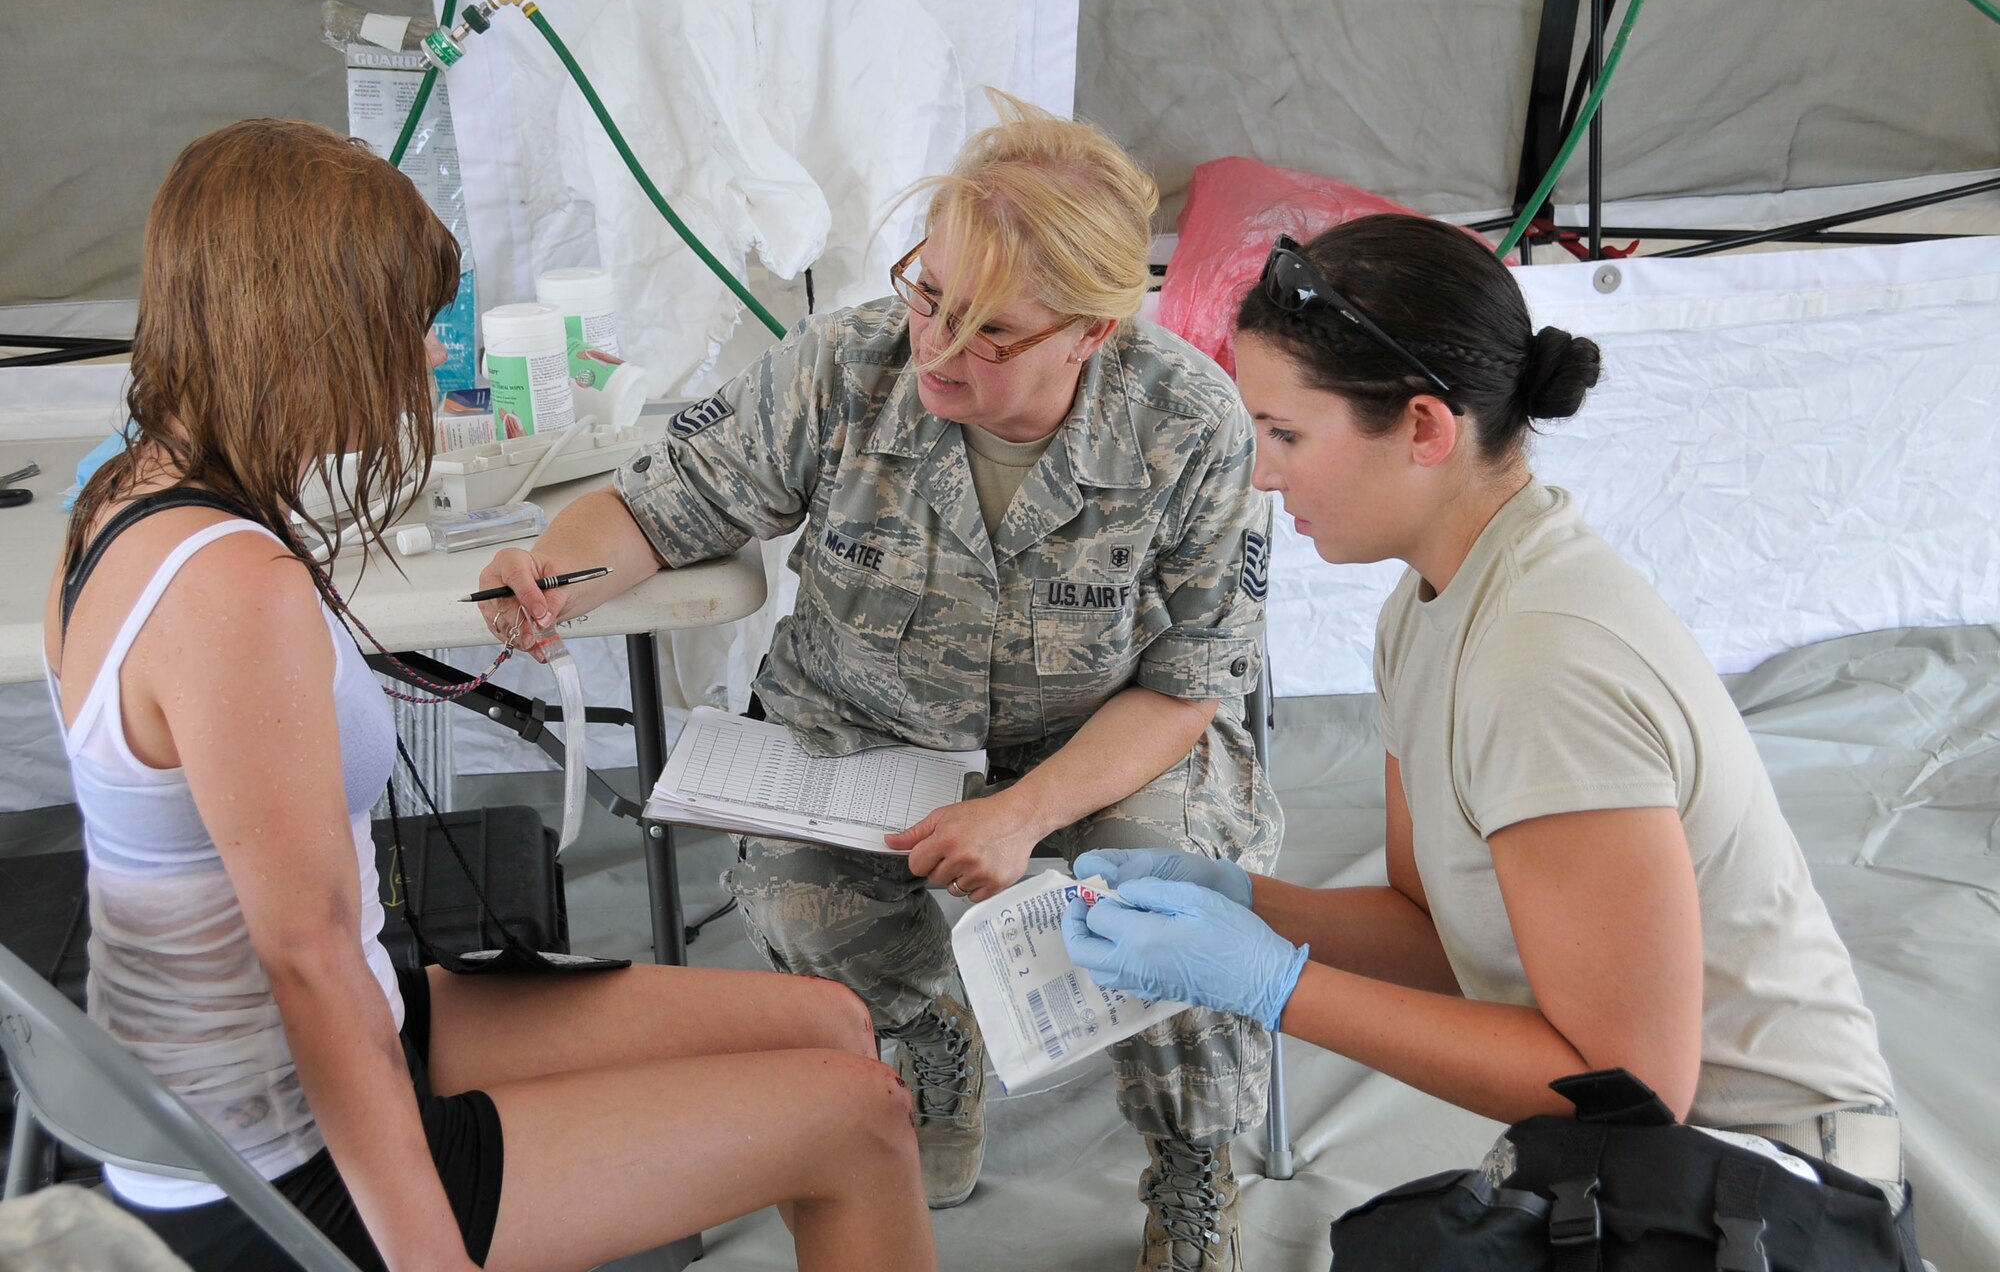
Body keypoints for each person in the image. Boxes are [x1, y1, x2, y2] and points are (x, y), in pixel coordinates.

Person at [42, 119, 934, 1272]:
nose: (422, 362)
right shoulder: (232, 588)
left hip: (276, 1064)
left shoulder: (125, 494)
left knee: (832, 1022)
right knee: (858, 1118)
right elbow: (307, 965)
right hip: (269, 1161)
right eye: (406, 329)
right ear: (315, 332)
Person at [477, 94, 1280, 1269]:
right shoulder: (839, 366)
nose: (937, 350)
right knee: (796, 892)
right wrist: (553, 570)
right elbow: (667, 503)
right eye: (928, 295)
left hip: (1092, 740)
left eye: (992, 332)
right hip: (863, 725)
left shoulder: (1189, 424)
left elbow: (1188, 681)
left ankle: (1192, 1153)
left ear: (1091, 334)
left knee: (1183, 900)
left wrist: (1024, 811)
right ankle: (927, 1035)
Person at [1064, 215, 1907, 1200]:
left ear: (1424, 426)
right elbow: (1436, 928)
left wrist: (1274, 985)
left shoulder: (1540, 660)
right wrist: (1237, 899)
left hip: (1779, 1179)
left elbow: (1629, 1081)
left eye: (1286, 433)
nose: (1262, 471)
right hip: (1655, 1162)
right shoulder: (1423, 608)